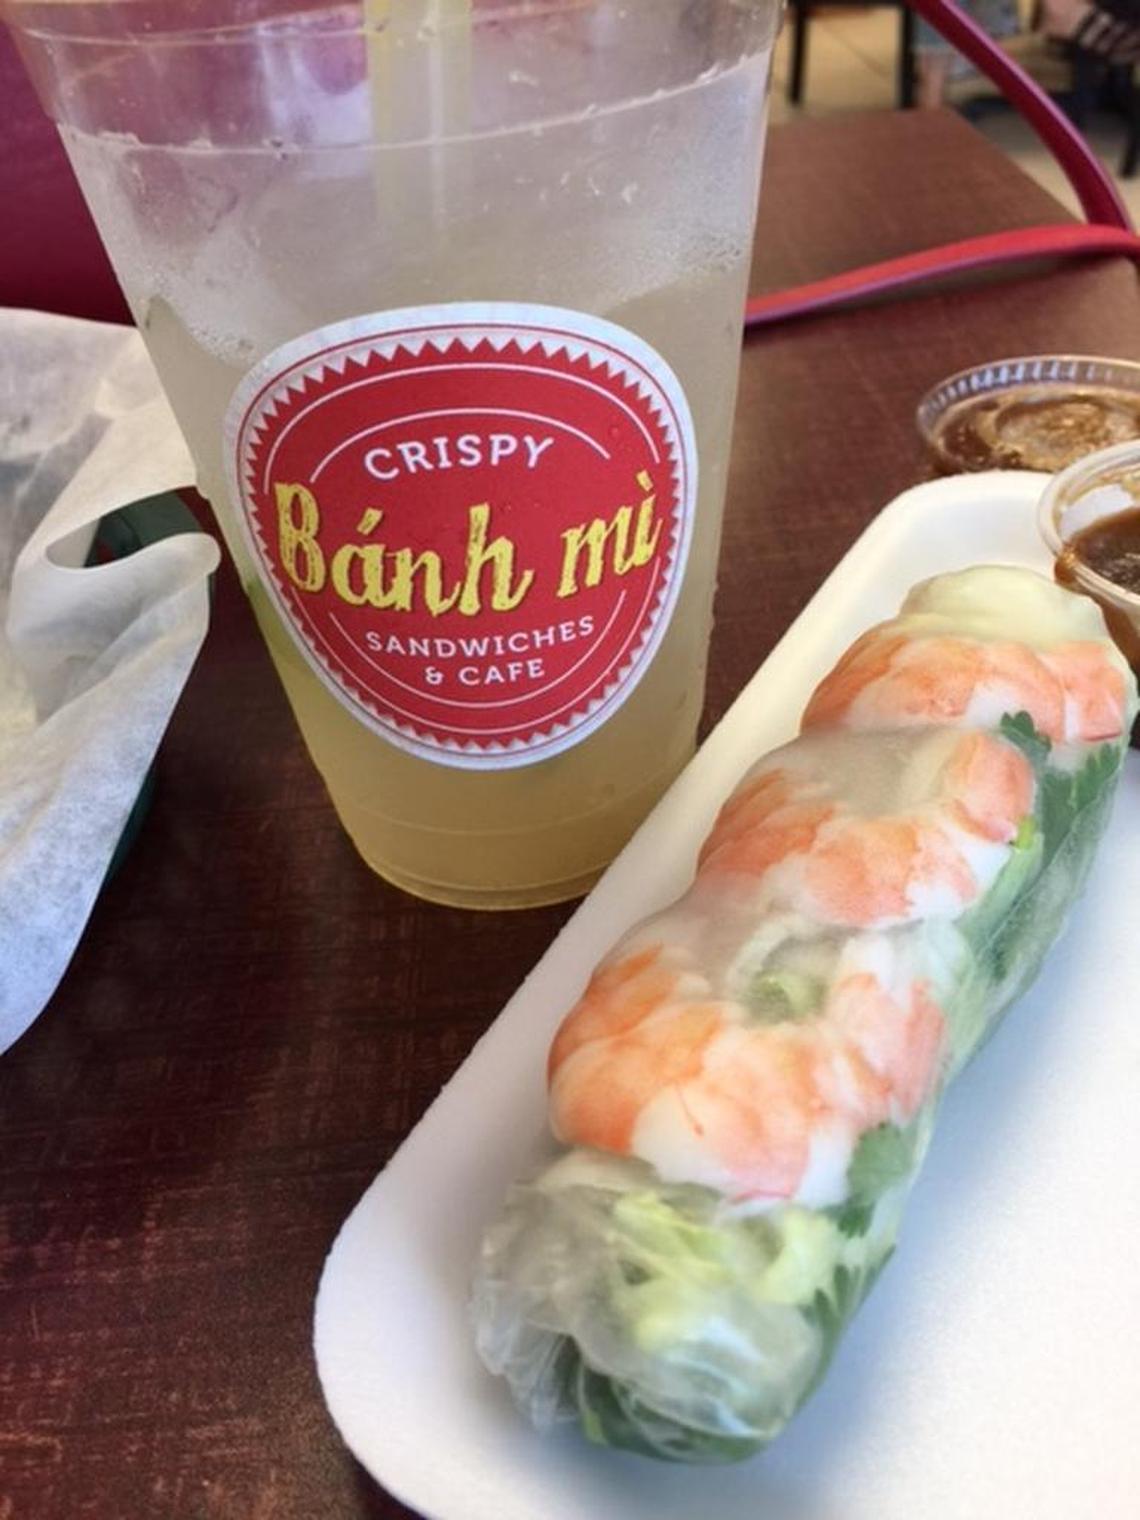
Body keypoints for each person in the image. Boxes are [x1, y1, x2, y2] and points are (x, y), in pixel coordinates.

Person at [914, 0, 1021, 108]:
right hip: (946, 11)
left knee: (927, 80)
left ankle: (927, 113)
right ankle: (932, 116)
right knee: (935, 80)